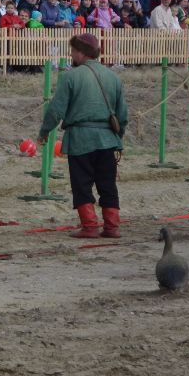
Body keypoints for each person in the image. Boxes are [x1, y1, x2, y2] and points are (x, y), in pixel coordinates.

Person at [38, 33, 128, 239]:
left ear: (81, 52)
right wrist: (117, 138)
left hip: (80, 140)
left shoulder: (71, 77)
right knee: (107, 184)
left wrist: (44, 132)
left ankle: (89, 227)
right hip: (107, 140)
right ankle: (112, 227)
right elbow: (122, 116)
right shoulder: (114, 77)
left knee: (81, 184)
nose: (71, 55)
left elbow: (55, 110)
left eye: (73, 51)